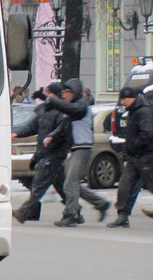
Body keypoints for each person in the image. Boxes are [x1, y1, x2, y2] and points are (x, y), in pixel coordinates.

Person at [46, 79, 112, 226]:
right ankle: (100, 203)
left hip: (83, 148)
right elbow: (64, 125)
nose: (64, 95)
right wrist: (52, 136)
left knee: (70, 183)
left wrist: (52, 101)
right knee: (72, 183)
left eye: (66, 92)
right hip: (76, 148)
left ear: (74, 92)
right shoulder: (72, 106)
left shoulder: (81, 105)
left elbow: (71, 110)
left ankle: (71, 215)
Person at [107, 86, 153, 227]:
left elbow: (147, 135)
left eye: (124, 99)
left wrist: (133, 146)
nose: (122, 102)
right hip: (136, 156)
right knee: (125, 186)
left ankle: (123, 215)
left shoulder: (144, 112)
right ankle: (122, 216)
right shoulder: (137, 111)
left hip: (146, 156)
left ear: (133, 98)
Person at [11, 81, 73, 224]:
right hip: (47, 153)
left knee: (39, 185)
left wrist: (53, 143)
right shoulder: (45, 111)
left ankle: (24, 211)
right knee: (62, 187)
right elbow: (32, 126)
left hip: (53, 153)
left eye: (49, 94)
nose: (47, 96)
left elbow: (62, 133)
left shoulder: (61, 113)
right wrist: (17, 133)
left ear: (56, 96)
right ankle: (75, 211)